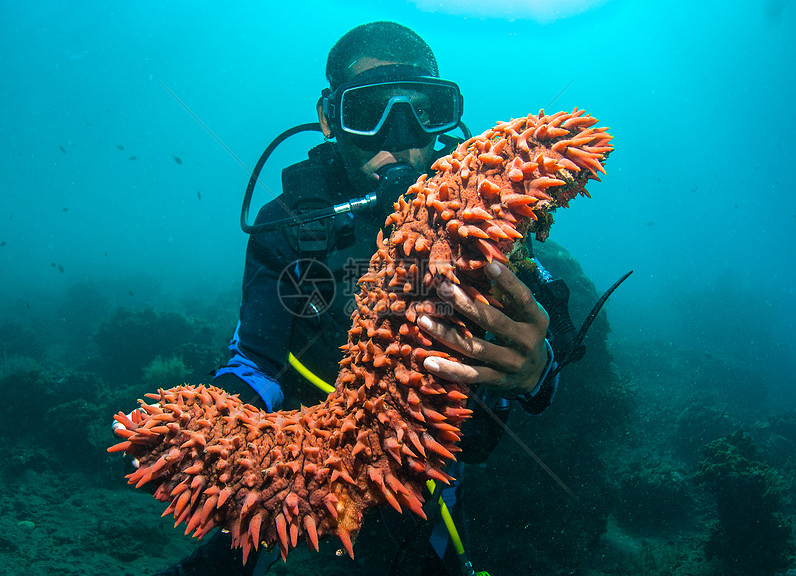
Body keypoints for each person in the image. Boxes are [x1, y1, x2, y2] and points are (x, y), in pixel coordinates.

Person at [152, 21, 566, 576]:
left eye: (424, 109)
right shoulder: (291, 226)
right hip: (305, 468)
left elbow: (540, 351)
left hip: (427, 487)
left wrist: (537, 376)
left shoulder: (489, 225)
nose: (402, 135)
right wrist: (225, 427)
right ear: (330, 119)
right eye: (369, 112)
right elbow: (255, 361)